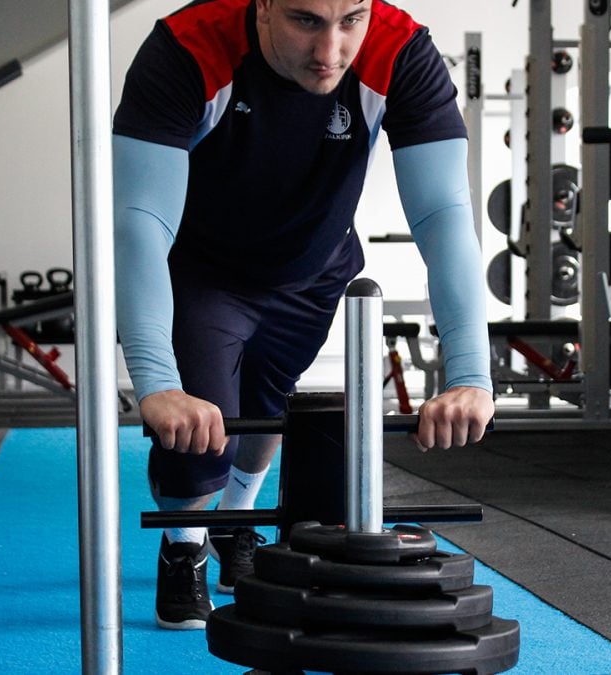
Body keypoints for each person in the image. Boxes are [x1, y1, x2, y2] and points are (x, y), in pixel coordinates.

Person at [112, 0, 494, 631]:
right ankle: (184, 547)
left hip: (314, 268)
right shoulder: (187, 49)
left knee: (268, 405)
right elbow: (140, 224)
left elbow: (444, 216)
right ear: (262, 6)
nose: (331, 52)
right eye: (306, 21)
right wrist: (157, 383)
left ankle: (239, 527)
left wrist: (471, 375)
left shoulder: (401, 50)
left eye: (351, 20)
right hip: (208, 274)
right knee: (201, 437)